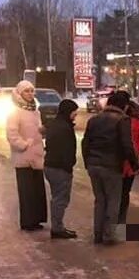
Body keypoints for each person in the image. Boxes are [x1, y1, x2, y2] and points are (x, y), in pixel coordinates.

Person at [81, 89, 139, 244]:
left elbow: (85, 142)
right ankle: (109, 235)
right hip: (111, 165)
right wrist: (134, 165)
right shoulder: (122, 120)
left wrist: (88, 162)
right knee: (113, 200)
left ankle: (98, 234)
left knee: (99, 200)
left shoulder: (94, 119)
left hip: (94, 165)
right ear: (124, 106)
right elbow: (127, 145)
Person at [5, 80, 47, 231]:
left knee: (37, 190)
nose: (30, 94)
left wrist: (42, 134)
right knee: (27, 191)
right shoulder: (15, 112)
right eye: (26, 91)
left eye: (31, 91)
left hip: (37, 155)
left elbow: (37, 130)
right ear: (19, 94)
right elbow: (12, 134)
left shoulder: (35, 111)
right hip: (23, 157)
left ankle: (37, 219)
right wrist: (24, 145)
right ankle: (27, 221)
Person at [44, 99, 80, 239]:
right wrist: (68, 166)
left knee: (57, 198)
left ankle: (57, 226)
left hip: (51, 165)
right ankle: (57, 228)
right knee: (61, 199)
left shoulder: (55, 124)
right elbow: (65, 149)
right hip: (60, 168)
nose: (75, 116)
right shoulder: (64, 127)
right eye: (74, 113)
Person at [118, 99, 139, 225]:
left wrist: (138, 150)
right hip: (128, 163)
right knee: (124, 193)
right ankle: (120, 219)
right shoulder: (136, 122)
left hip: (125, 162)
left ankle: (118, 219)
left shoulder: (132, 122)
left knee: (121, 193)